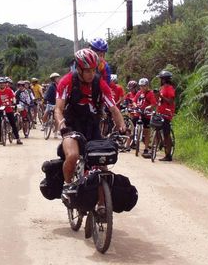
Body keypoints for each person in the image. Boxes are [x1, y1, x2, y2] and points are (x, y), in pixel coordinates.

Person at [55, 49, 126, 184]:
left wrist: (122, 125)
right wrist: (62, 125)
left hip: (92, 125)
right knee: (72, 156)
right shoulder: (67, 82)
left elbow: (113, 108)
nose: (91, 74)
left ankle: (102, 204)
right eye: (87, 70)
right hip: (71, 126)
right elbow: (58, 109)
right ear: (79, 69)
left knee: (102, 163)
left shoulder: (100, 83)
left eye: (94, 70)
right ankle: (68, 185)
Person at [0, 77, 23, 145]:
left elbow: (13, 97)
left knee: (13, 123)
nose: (2, 84)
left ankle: (18, 138)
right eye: (0, 83)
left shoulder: (9, 90)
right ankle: (0, 138)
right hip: (0, 109)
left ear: (5, 84)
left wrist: (14, 103)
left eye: (3, 83)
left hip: (9, 109)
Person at [134, 77, 157, 159]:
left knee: (147, 131)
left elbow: (153, 104)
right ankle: (135, 143)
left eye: (144, 86)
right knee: (133, 126)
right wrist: (135, 106)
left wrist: (147, 107)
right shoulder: (139, 93)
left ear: (147, 86)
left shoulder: (150, 93)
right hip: (138, 113)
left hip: (146, 114)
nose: (142, 88)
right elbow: (134, 101)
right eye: (141, 86)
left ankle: (146, 148)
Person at [156, 70, 176, 161]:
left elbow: (170, 101)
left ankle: (168, 154)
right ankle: (160, 144)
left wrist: (160, 96)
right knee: (156, 128)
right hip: (160, 111)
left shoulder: (169, 88)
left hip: (167, 113)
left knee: (166, 134)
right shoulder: (162, 87)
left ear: (164, 80)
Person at [42, 72, 60, 138]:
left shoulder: (60, 85)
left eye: (58, 77)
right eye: (57, 78)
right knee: (46, 113)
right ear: (53, 79)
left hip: (57, 103)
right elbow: (47, 94)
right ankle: (44, 124)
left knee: (56, 117)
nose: (58, 79)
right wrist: (45, 100)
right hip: (50, 103)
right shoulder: (51, 86)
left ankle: (55, 131)